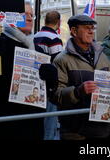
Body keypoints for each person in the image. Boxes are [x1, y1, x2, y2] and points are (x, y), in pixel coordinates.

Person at [0, 1, 58, 140]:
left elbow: (47, 91)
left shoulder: (37, 49)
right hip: (5, 126)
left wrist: (51, 80)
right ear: (11, 17)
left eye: (31, 15)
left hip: (33, 125)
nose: (29, 18)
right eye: (24, 14)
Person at [52, 14, 110, 140]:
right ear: (74, 31)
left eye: (92, 28)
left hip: (102, 129)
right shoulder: (61, 60)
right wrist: (78, 91)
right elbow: (55, 95)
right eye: (86, 28)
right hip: (75, 132)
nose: (91, 31)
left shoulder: (103, 56)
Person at [33, 10, 63, 140]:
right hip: (49, 87)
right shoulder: (54, 39)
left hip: (35, 82)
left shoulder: (35, 36)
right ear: (59, 22)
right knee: (49, 124)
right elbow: (58, 64)